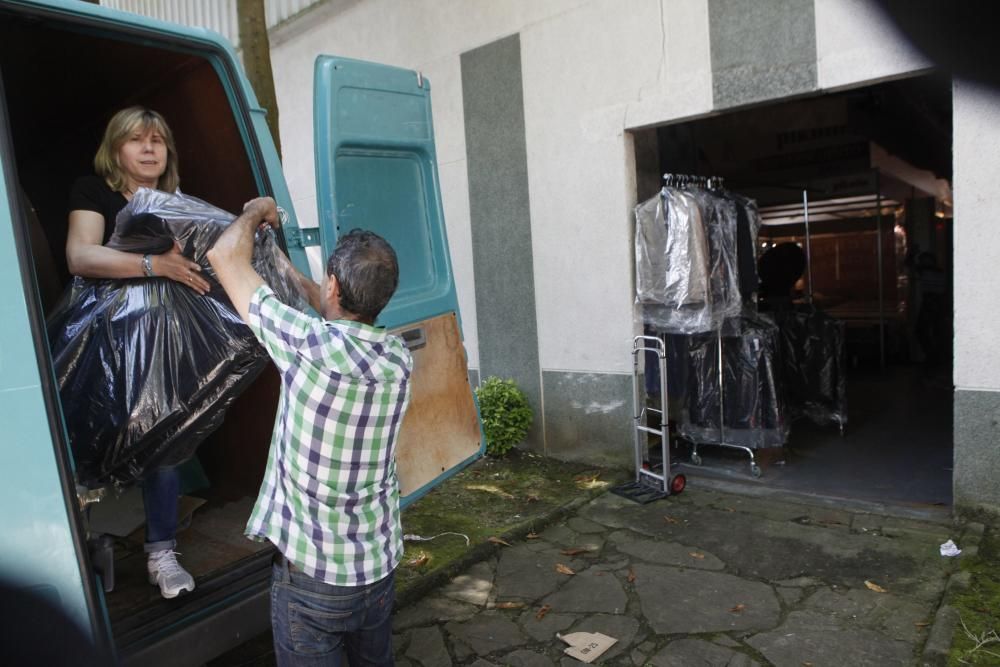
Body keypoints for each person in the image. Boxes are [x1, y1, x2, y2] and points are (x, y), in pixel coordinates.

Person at [207, 198, 412, 666]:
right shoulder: (398, 358)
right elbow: (329, 314)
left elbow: (223, 256)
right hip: (376, 570)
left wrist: (256, 212)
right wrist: (280, 262)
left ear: (333, 284)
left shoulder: (307, 346)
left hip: (313, 580)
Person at [67, 106, 208, 599]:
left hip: (164, 343)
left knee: (164, 439)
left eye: (158, 140)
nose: (149, 149)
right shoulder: (93, 192)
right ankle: (87, 543)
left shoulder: (177, 202)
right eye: (137, 140)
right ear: (116, 149)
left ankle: (161, 554)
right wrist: (154, 264)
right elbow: (81, 255)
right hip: (101, 344)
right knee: (90, 443)